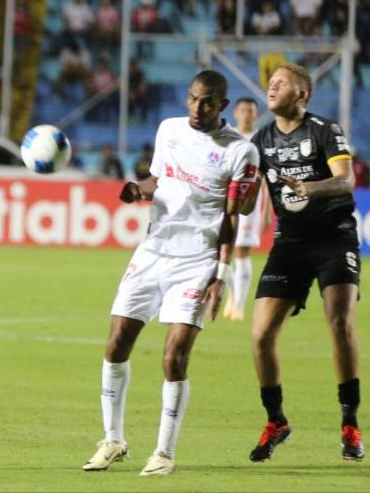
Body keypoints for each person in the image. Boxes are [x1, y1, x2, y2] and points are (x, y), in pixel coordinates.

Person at [82, 70, 260, 476]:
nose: (198, 108)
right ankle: (112, 440)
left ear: (223, 106)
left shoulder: (239, 151)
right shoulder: (169, 129)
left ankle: (163, 452)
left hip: (197, 261)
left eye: (208, 102)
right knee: (116, 344)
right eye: (194, 99)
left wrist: (222, 272)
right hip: (153, 251)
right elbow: (159, 180)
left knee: (174, 356)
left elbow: (234, 216)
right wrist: (138, 189)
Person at [248, 63, 365, 463]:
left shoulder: (324, 130)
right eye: (271, 82)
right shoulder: (260, 139)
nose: (272, 86)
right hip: (290, 242)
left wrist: (309, 188)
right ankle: (276, 420)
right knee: (261, 334)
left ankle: (350, 422)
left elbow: (345, 180)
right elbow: (250, 191)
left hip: (334, 236)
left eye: (281, 83)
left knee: (339, 321)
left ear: (302, 94)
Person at [224, 97, 271, 321]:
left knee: (242, 250)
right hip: (226, 199)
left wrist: (266, 211)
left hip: (251, 201)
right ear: (235, 113)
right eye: (242, 110)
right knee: (223, 250)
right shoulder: (228, 137)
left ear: (256, 114)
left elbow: (266, 178)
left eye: (250, 111)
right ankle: (232, 296)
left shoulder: (262, 138)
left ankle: (239, 304)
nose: (246, 114)